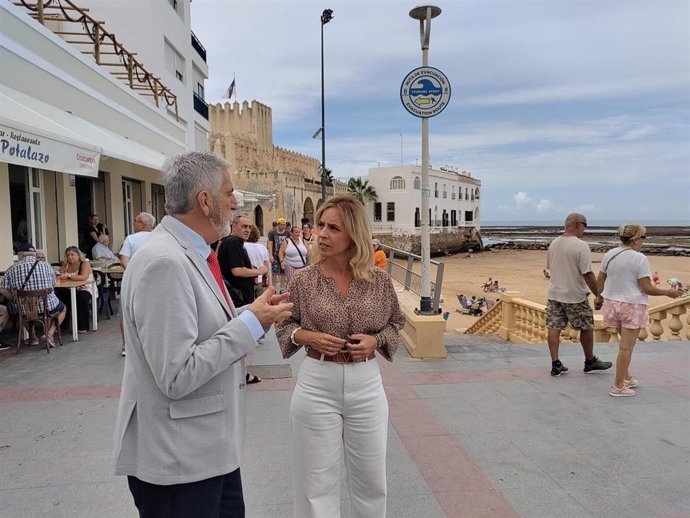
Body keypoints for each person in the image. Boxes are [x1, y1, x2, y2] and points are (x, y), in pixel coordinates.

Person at [113, 152, 292, 518]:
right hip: (180, 464)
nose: (235, 202)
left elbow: (202, 327)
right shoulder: (165, 262)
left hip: (208, 454)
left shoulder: (192, 253)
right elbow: (176, 375)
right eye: (228, 192)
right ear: (205, 200)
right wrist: (249, 324)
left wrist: (254, 313)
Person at [275, 195, 405, 518]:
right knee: (314, 485)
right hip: (317, 382)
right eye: (320, 225)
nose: (321, 234)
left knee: (371, 483)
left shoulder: (379, 282)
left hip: (366, 384)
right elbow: (284, 325)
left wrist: (375, 342)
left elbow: (396, 324)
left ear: (353, 235)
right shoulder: (304, 280)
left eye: (333, 228)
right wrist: (306, 336)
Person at [595, 224, 682, 397]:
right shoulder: (639, 259)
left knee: (623, 346)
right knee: (626, 348)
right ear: (635, 239)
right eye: (643, 237)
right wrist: (668, 292)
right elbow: (646, 288)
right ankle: (618, 387)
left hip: (612, 304)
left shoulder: (609, 254)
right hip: (632, 305)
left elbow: (600, 279)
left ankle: (626, 377)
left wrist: (598, 297)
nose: (643, 241)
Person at [546, 213, 612, 377]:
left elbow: (550, 268)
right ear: (577, 224)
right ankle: (590, 361)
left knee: (554, 328)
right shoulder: (581, 245)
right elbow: (587, 274)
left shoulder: (554, 243)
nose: (585, 228)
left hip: (554, 293)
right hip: (575, 295)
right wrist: (599, 295)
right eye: (585, 225)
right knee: (586, 328)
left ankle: (556, 364)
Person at [218, 214, 269, 384]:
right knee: (244, 337)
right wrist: (259, 271)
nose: (247, 230)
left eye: (250, 227)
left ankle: (243, 373)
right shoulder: (232, 242)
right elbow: (237, 271)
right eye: (244, 226)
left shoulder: (234, 243)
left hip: (238, 296)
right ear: (234, 226)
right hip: (238, 298)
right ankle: (240, 375)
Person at [0, 243, 66, 348]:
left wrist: (14, 299)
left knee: (22, 311)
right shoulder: (46, 265)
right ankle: (49, 334)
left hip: (26, 309)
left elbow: (2, 290)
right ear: (33, 254)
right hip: (47, 306)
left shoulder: (12, 269)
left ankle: (33, 337)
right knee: (62, 309)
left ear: (21, 254)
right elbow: (53, 285)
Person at [117, 212, 156, 356]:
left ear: (143, 224)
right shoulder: (159, 237)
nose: (133, 223)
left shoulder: (131, 239)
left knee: (125, 313)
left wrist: (133, 272)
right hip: (155, 280)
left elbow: (124, 260)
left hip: (133, 282)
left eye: (135, 220)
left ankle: (126, 345)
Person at [55, 246, 96, 334]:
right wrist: (59, 276)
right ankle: (63, 324)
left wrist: (68, 276)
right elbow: (60, 276)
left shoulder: (85, 263)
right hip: (70, 288)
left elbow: (83, 277)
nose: (70, 257)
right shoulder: (66, 265)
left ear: (78, 255)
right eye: (68, 255)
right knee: (61, 296)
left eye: (72, 254)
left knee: (82, 298)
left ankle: (83, 326)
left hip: (85, 287)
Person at [244, 225, 270, 300]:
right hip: (261, 280)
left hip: (248, 279)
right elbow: (266, 266)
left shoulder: (243, 246)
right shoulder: (262, 247)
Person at [267, 217, 290, 291]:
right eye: (282, 225)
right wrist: (270, 255)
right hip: (275, 255)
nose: (283, 226)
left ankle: (282, 288)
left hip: (284, 256)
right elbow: (270, 244)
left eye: (284, 225)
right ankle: (273, 288)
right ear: (278, 225)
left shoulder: (287, 233)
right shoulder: (272, 233)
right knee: (275, 272)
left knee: (283, 272)